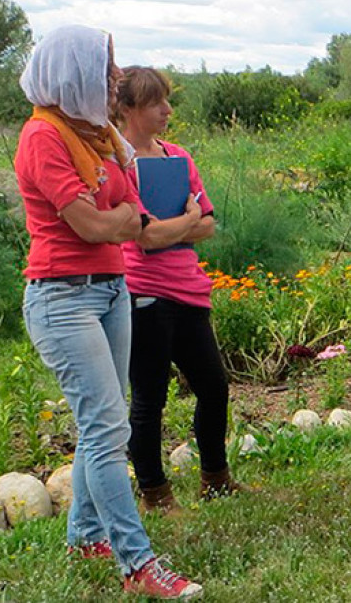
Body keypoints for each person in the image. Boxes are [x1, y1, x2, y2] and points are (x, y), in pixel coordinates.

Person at [15, 26, 203, 599]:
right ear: (75, 72)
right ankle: (137, 563)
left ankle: (84, 535)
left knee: (101, 422)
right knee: (108, 428)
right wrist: (120, 220)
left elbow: (134, 214)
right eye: (107, 66)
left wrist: (122, 220)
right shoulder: (43, 137)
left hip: (111, 288)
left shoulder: (96, 136)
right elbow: (102, 224)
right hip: (63, 295)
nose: (115, 76)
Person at [115, 66, 238, 512]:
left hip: (188, 291)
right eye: (155, 103)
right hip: (144, 293)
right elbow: (142, 236)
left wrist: (178, 227)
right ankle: (155, 493)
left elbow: (208, 223)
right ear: (127, 109)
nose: (167, 110)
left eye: (167, 101)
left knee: (214, 385)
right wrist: (184, 223)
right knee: (149, 397)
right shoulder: (118, 163)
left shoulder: (178, 157)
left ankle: (216, 478)